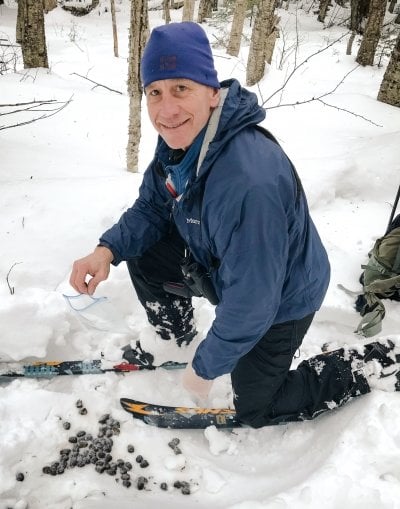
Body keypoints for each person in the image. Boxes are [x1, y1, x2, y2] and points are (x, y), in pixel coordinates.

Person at [70, 22, 400, 428]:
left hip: (283, 296)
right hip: (225, 263)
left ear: (212, 92)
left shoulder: (248, 181)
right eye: (155, 92)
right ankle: (172, 340)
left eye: (181, 88)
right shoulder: (182, 143)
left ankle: (372, 363)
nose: (166, 109)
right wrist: (108, 250)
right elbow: (153, 209)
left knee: (257, 406)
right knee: (146, 249)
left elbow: (254, 301)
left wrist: (207, 367)